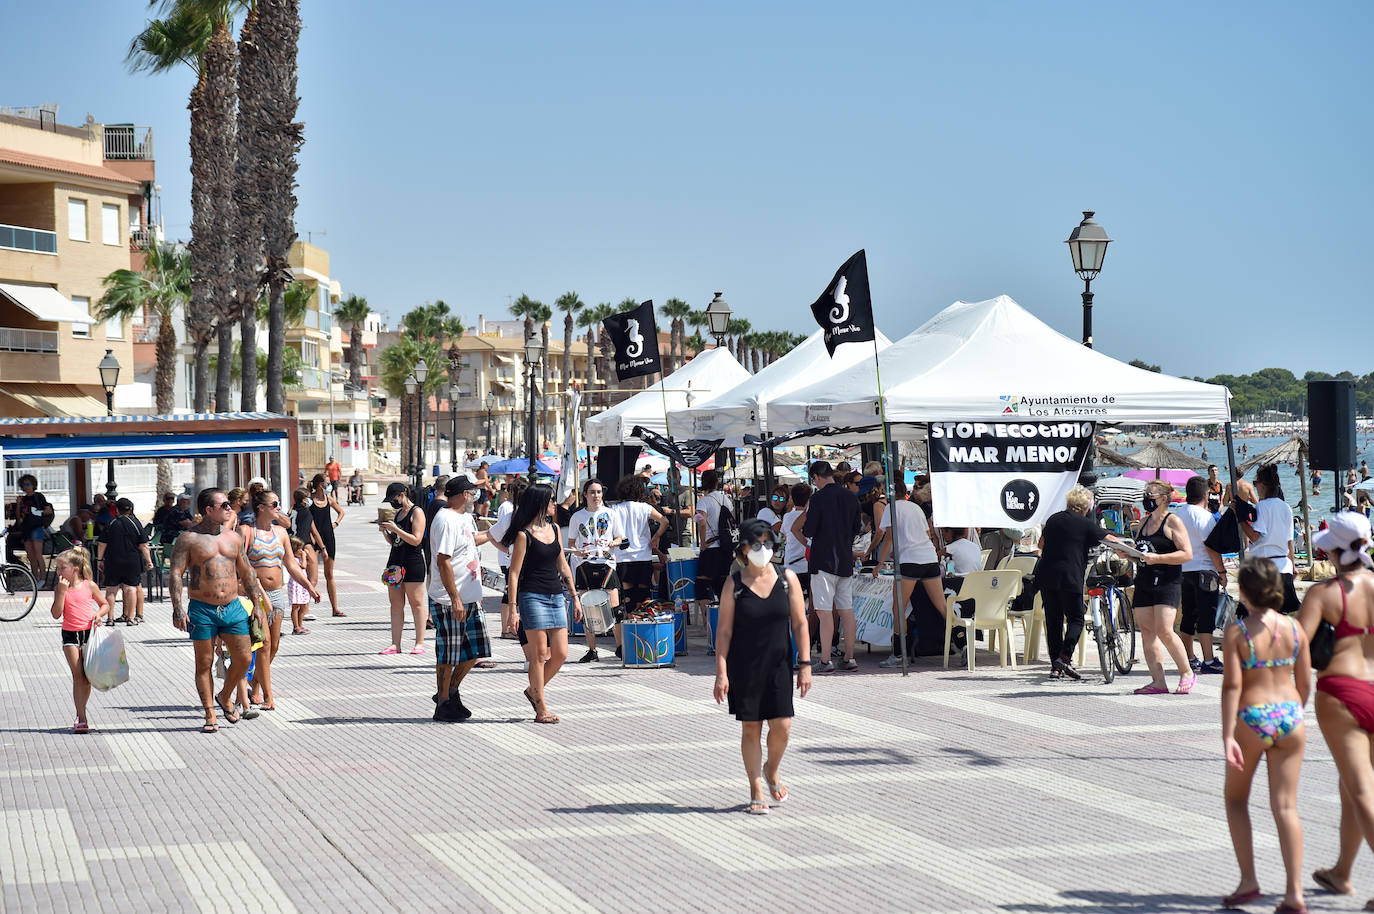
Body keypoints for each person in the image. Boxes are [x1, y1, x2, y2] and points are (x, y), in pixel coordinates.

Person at [1221, 557, 1311, 913]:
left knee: (1235, 800)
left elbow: (1231, 686)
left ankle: (1248, 880)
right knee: (1286, 806)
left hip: (1253, 716)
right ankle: (1294, 893)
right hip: (1290, 715)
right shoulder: (1295, 629)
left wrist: (1228, 734)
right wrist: (1292, 712)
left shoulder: (1238, 633)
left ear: (1242, 593)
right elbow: (1305, 683)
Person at [1299, 512, 1374, 910]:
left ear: (1335, 550)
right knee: (1350, 789)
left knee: (1362, 789)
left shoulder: (1324, 593)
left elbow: (1298, 649)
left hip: (1342, 692)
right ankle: (1342, 872)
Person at [713, 518, 812, 814]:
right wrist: (721, 671)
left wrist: (805, 664)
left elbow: (800, 623)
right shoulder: (735, 584)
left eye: (768, 543)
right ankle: (756, 786)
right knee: (751, 728)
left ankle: (772, 769)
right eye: (756, 544)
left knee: (782, 726)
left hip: (779, 664)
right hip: (744, 666)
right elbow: (724, 631)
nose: (762, 549)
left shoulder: (787, 578)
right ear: (743, 549)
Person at [169, 488, 268, 732]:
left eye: (228, 505)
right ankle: (210, 713)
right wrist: (177, 608)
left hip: (232, 606)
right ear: (208, 510)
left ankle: (225, 696)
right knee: (204, 662)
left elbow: (247, 573)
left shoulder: (233, 538)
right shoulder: (188, 539)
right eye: (223, 505)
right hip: (202, 608)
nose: (229, 508)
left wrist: (257, 604)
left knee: (244, 658)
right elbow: (175, 574)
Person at [506, 484, 581, 724]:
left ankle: (533, 691)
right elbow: (514, 573)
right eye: (550, 500)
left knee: (560, 654)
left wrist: (574, 596)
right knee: (539, 655)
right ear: (539, 503)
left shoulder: (555, 528)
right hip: (532, 596)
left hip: (555, 595)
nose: (554, 504)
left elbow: (562, 564)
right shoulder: (523, 535)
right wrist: (513, 608)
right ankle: (541, 707)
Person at [242, 487, 318, 709]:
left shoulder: (281, 533)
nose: (279, 508)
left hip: (276, 595)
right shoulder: (246, 531)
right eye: (274, 505)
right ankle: (268, 696)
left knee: (273, 646)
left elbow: (291, 565)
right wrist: (254, 591)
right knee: (263, 645)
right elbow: (242, 565)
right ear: (261, 508)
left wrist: (310, 587)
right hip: (255, 596)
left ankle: (255, 683)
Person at [1036, 485, 1119, 680]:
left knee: (1053, 621)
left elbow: (1041, 544)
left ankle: (1055, 666)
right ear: (1087, 506)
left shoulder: (1053, 519)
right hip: (1070, 575)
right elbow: (1109, 539)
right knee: (1076, 619)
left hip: (1047, 575)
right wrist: (1130, 548)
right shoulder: (1084, 523)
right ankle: (1064, 657)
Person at [428, 476, 493, 722]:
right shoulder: (445, 519)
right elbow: (443, 560)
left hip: (470, 596)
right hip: (448, 598)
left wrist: (495, 533)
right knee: (448, 653)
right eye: (473, 494)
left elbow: (471, 540)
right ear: (464, 494)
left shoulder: (465, 518)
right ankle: (443, 702)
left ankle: (450, 691)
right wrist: (454, 597)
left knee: (477, 650)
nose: (476, 498)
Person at [1122, 480, 1195, 694]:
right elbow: (1142, 555)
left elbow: (1187, 554)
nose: (1147, 499)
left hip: (1167, 580)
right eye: (1145, 494)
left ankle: (1187, 672)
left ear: (1164, 498)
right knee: (1147, 632)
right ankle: (1158, 681)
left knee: (1165, 630)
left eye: (1151, 495)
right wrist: (1128, 554)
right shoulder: (1143, 522)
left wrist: (1159, 558)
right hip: (1144, 580)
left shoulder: (1173, 522)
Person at [797, 460, 863, 674]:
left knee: (825, 612)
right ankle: (849, 657)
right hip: (845, 560)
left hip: (823, 560)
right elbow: (856, 528)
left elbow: (809, 530)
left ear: (816, 477)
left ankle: (825, 660)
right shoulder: (851, 497)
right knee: (847, 611)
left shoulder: (817, 498)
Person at [872, 480, 945, 667]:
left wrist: (880, 563)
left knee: (898, 608)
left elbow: (889, 536)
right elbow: (927, 534)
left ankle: (898, 654)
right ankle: (963, 644)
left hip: (910, 561)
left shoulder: (890, 508)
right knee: (942, 607)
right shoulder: (915, 508)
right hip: (928, 558)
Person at [49, 547, 111, 732]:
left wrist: (99, 615)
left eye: (62, 568)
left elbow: (105, 604)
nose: (58, 571)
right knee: (78, 676)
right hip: (70, 634)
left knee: (87, 677)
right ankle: (81, 717)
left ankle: (81, 712)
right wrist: (60, 592)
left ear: (75, 568)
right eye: (58, 568)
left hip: (88, 633)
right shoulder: (61, 588)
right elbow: (55, 614)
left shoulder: (89, 585)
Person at [567, 478, 623, 663]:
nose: (596, 496)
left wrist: (613, 543)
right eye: (592, 492)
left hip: (607, 564)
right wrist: (578, 551)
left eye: (599, 492)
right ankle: (592, 650)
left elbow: (619, 537)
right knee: (587, 609)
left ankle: (620, 647)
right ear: (585, 494)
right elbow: (571, 543)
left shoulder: (611, 513)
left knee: (615, 608)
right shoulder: (577, 516)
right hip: (584, 564)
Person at [1177, 476, 1226, 675]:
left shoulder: (1178, 514)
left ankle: (1189, 656)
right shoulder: (1204, 517)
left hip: (1183, 569)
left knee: (1188, 614)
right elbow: (1211, 547)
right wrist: (1221, 571)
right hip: (1205, 569)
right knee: (1206, 614)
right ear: (1206, 495)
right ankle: (1209, 659)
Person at [1242, 465, 1300, 615]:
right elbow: (1289, 541)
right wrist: (1293, 565)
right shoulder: (1286, 507)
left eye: (1255, 484)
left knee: (1257, 617)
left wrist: (1240, 520)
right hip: (1283, 566)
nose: (1255, 488)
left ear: (1262, 484)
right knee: (1282, 616)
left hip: (1264, 569)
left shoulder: (1262, 506)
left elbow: (1255, 536)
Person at [379, 482, 428, 655]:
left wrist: (396, 530)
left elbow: (416, 539)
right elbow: (396, 542)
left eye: (393, 498)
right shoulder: (399, 513)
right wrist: (386, 532)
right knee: (396, 604)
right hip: (395, 562)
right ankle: (395, 644)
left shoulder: (417, 512)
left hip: (412, 562)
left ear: (401, 494)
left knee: (416, 603)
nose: (392, 502)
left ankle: (419, 643)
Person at [614, 475, 668, 618]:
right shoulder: (645, 508)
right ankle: (644, 624)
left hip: (623, 557)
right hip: (643, 556)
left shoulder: (615, 509)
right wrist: (656, 537)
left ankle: (632, 627)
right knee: (644, 596)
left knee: (628, 596)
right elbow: (665, 521)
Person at [97, 498, 154, 626]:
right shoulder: (135, 523)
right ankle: (130, 617)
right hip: (132, 560)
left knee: (111, 590)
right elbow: (144, 545)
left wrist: (100, 559)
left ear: (117, 509)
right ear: (130, 509)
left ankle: (110, 618)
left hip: (113, 560)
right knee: (130, 589)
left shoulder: (111, 523)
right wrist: (148, 561)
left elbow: (102, 543)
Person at [490, 477, 530, 640]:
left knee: (514, 593)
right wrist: (505, 549)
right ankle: (507, 628)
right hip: (509, 559)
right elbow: (494, 534)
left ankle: (511, 627)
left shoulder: (524, 511)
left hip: (515, 558)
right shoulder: (507, 509)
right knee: (509, 593)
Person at [695, 469, 736, 616]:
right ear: (717, 482)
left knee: (702, 586)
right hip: (725, 548)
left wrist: (703, 542)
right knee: (723, 586)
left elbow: (702, 522)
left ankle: (708, 623)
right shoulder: (726, 499)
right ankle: (725, 619)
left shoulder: (703, 501)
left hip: (711, 548)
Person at [309, 473, 346, 617]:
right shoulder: (310, 501)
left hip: (329, 538)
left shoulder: (328, 499)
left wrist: (336, 523)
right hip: (314, 539)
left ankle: (335, 608)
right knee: (312, 576)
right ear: (320, 485)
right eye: (327, 482)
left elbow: (341, 512)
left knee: (329, 574)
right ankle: (304, 609)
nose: (329, 485)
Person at [9, 474, 52, 585]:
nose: (26, 486)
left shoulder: (38, 496)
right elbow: (19, 519)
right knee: (30, 556)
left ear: (33, 485)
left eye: (28, 484)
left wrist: (37, 512)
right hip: (26, 529)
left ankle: (42, 579)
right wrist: (18, 504)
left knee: (38, 554)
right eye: (24, 484)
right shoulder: (23, 499)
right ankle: (34, 580)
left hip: (37, 527)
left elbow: (48, 510)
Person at [286, 537, 313, 635]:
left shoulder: (300, 558)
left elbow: (311, 562)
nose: (301, 551)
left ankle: (300, 625)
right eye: (299, 549)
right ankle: (295, 627)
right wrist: (303, 557)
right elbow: (303, 566)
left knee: (303, 605)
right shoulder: (292, 559)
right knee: (295, 606)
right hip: (296, 584)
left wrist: (306, 555)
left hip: (302, 585)